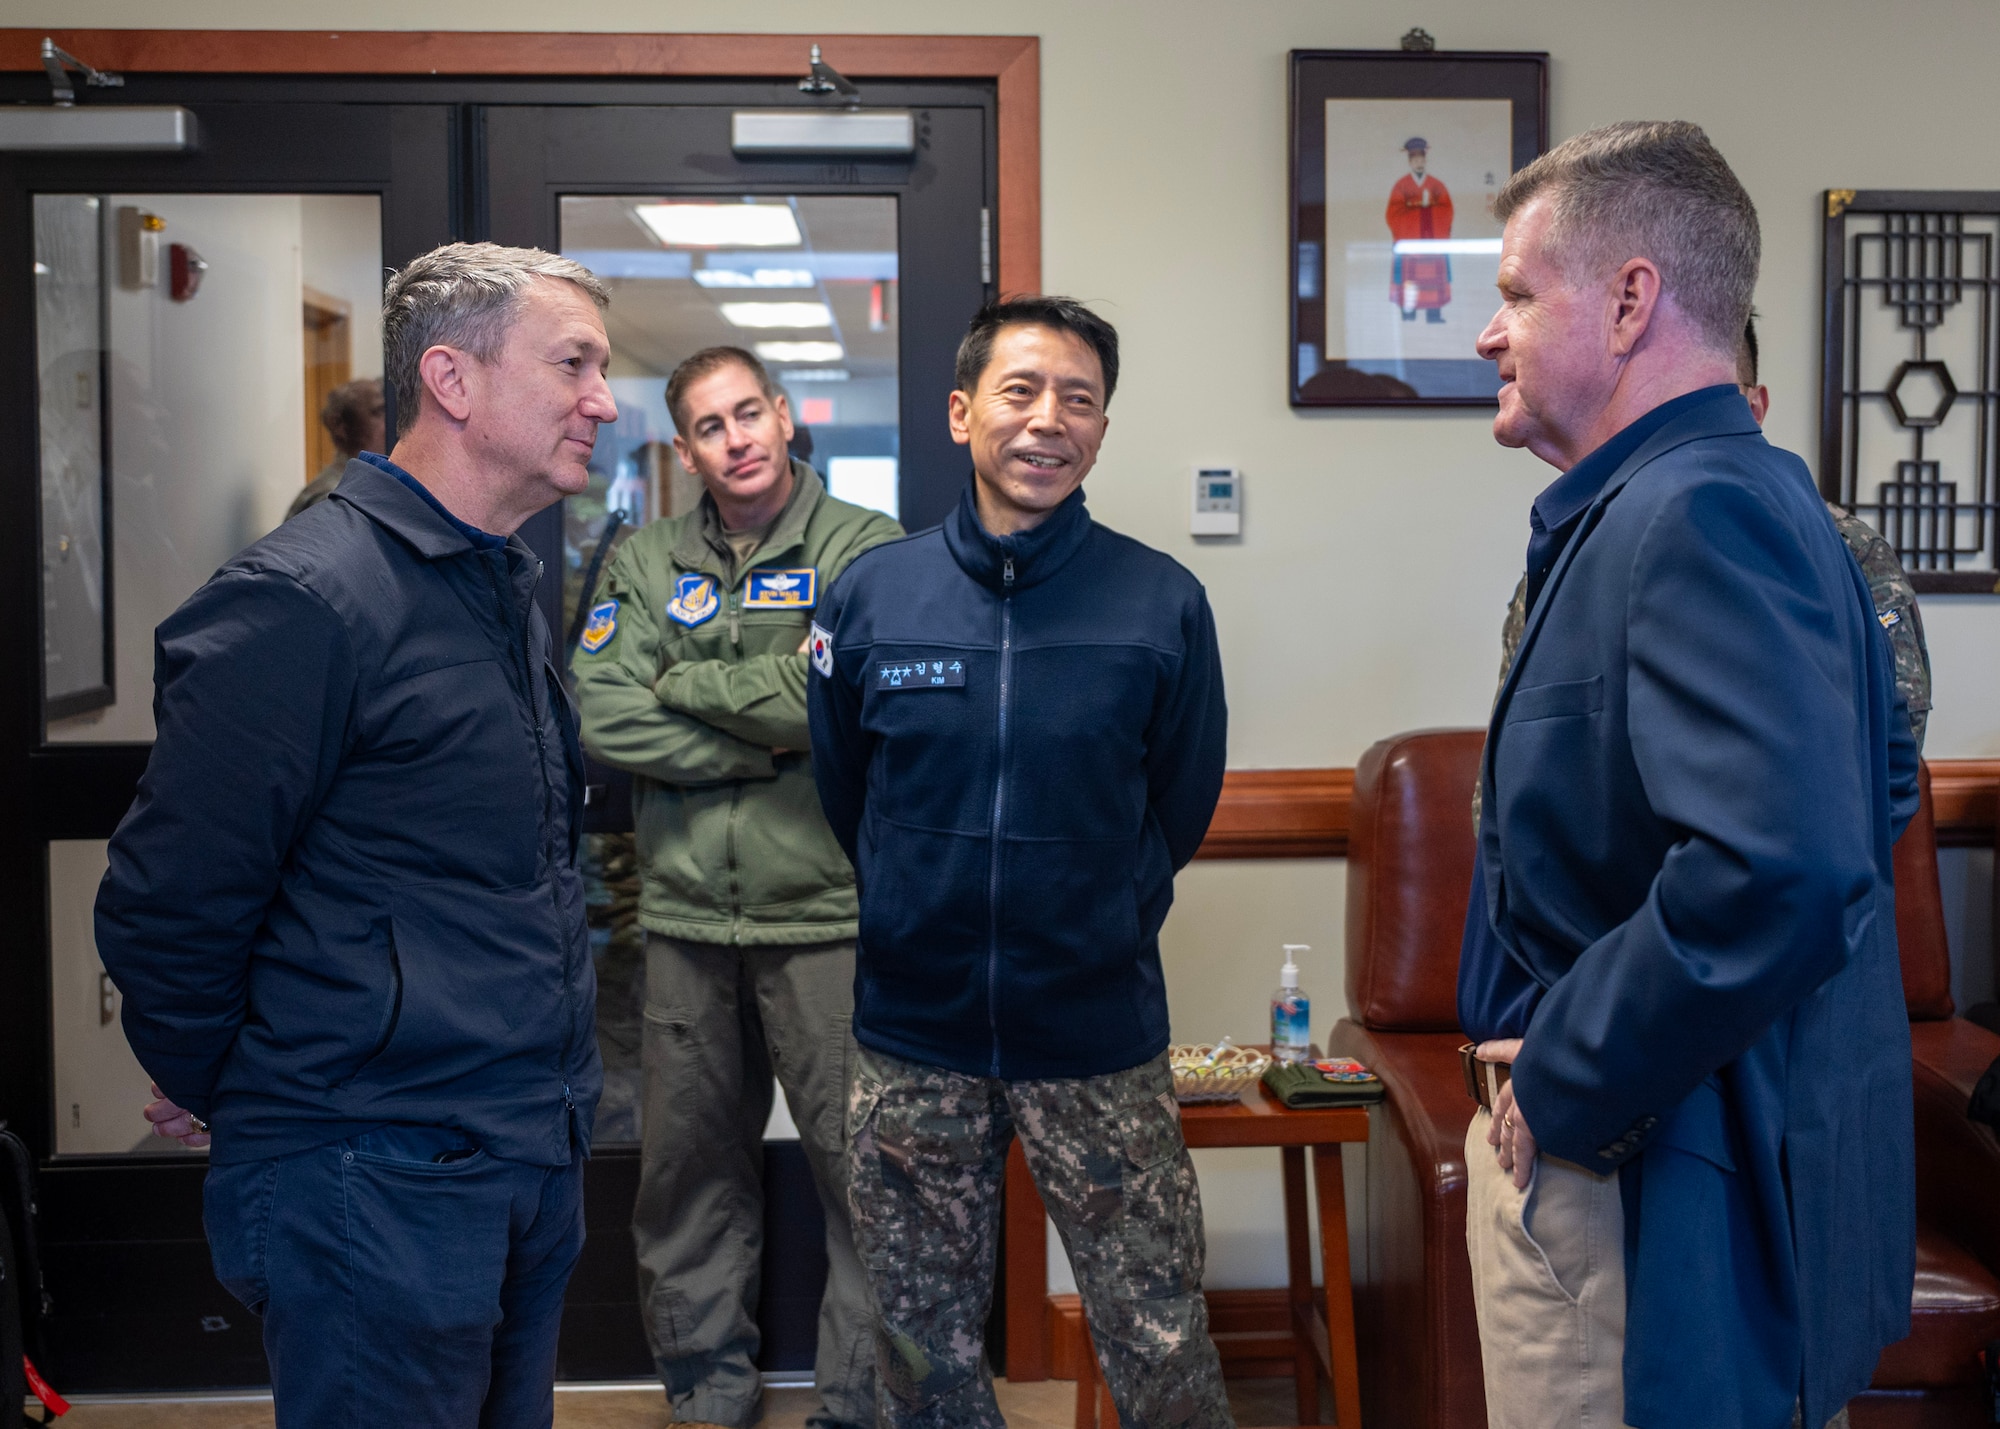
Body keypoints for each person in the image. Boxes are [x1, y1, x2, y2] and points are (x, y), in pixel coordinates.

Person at [95, 242, 613, 1428]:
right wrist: (236, 1079)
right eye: (572, 363)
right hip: (369, 1179)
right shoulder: (305, 598)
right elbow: (169, 900)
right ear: (453, 378)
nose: (603, 397)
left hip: (519, 1150)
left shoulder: (494, 586)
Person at [1458, 122, 1918, 1429]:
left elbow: (1787, 863)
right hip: (1646, 1154)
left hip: (1644, 1179)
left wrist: (1563, 1072)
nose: (1489, 334)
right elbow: (1864, 796)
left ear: (1629, 299)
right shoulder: (1704, 500)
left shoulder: (1699, 513)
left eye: (1513, 295)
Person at [806, 297, 1232, 1427]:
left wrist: (1091, 918)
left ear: (1099, 429)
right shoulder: (870, 599)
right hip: (913, 1038)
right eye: (1020, 390)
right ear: (960, 413)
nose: (1049, 420)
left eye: (1079, 399)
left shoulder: (1160, 605)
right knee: (922, 1351)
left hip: (1094, 1036)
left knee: (1158, 1336)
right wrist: (917, 901)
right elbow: (848, 791)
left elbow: (1176, 805)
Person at [573, 347, 901, 1429]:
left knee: (865, 1177)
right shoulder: (644, 555)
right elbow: (599, 712)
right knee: (684, 1179)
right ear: (685, 449)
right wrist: (758, 745)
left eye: (748, 413)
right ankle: (706, 1392)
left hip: (824, 915)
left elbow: (831, 696)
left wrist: (692, 682)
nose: (737, 439)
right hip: (680, 920)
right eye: (710, 426)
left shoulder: (862, 547)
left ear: (785, 414)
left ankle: (853, 1404)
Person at [287, 375, 386, 520]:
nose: (390, 421)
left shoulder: (360, 484)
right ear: (341, 427)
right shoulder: (332, 496)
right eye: (378, 411)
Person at [1386, 136, 1455, 322]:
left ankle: (1434, 314)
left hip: (1432, 243)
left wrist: (1426, 212)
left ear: (1425, 160)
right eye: (1415, 160)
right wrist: (1422, 213)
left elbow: (1447, 211)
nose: (1418, 163)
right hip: (1410, 246)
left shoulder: (1436, 185)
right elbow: (1394, 214)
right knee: (1409, 282)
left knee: (1434, 280)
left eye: (1421, 160)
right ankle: (1408, 314)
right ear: (1410, 162)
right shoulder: (1401, 186)